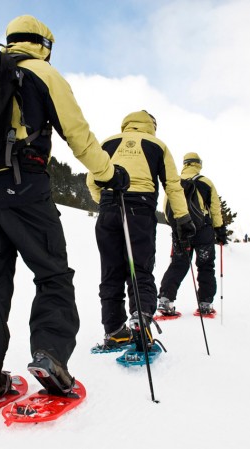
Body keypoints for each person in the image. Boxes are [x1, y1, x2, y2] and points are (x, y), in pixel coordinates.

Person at [0, 15, 130, 413]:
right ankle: (51, 356)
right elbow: (78, 136)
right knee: (52, 274)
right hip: (25, 190)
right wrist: (107, 174)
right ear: (44, 43)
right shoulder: (42, 73)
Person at [86, 111, 194, 351]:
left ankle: (114, 331)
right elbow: (172, 185)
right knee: (140, 269)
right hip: (139, 211)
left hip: (109, 208)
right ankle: (141, 321)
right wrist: (183, 218)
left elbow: (92, 180)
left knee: (111, 270)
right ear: (151, 126)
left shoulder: (108, 142)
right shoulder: (158, 145)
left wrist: (103, 203)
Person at [158, 152, 227, 316]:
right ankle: (205, 303)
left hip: (182, 231)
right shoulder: (205, 182)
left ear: (185, 163)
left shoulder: (174, 181)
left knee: (178, 264)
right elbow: (215, 209)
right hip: (203, 231)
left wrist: (175, 227)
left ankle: (165, 300)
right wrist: (219, 230)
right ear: (198, 164)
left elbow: (167, 210)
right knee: (205, 266)